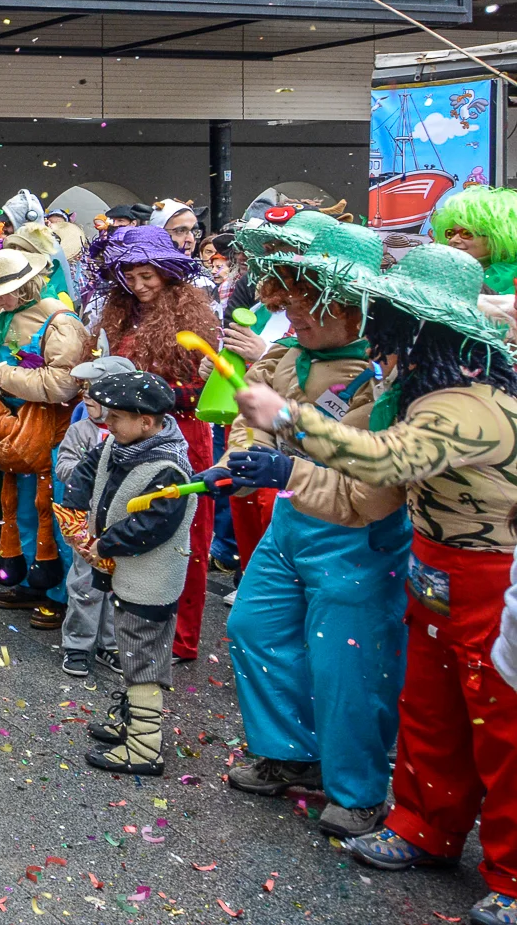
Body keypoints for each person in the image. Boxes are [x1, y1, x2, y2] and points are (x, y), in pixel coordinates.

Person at [234, 245, 517, 925]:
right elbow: (368, 495)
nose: (378, 342)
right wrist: (280, 470)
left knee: (502, 727)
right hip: (431, 567)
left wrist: (288, 421)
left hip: (493, 577)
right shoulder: (414, 393)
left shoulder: (473, 404)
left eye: (390, 328)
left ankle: (512, 874)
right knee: (430, 708)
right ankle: (424, 826)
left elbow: (391, 459)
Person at [217, 221, 400, 841]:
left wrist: (285, 468)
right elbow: (252, 411)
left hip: (355, 538)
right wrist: (242, 463)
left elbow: (368, 492)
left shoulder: (382, 377)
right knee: (254, 625)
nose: (288, 314)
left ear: (347, 307)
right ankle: (291, 752)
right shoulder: (289, 353)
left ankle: (357, 791)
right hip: (292, 523)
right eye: (285, 300)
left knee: (345, 663)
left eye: (301, 304)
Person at [86, 224, 220, 660]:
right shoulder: (121, 313)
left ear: (167, 271)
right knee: (128, 523)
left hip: (182, 435)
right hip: (127, 434)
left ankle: (181, 638)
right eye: (131, 277)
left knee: (183, 536)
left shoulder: (191, 316)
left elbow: (203, 392)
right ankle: (132, 631)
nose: (139, 285)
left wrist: (149, 394)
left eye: (147, 276)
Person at [63, 371, 196, 777]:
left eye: (116, 417)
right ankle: (133, 722)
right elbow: (89, 470)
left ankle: (144, 747)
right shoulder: (119, 444)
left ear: (147, 421)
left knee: (142, 659)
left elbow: (153, 524)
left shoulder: (169, 468)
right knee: (133, 650)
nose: (107, 423)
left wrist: (105, 543)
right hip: (128, 574)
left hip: (151, 580)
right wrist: (75, 508)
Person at [0, 247, 89, 629]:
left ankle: (61, 595)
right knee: (21, 509)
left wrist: (2, 375)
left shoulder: (60, 320)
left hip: (54, 434)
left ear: (23, 287)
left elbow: (64, 383)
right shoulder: (1, 317)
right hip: (18, 432)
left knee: (54, 510)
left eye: (0, 293)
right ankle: (32, 582)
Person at [53, 355, 140, 677]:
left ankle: (110, 644)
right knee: (86, 585)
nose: (87, 396)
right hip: (88, 522)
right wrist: (91, 469)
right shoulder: (80, 430)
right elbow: (63, 466)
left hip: (123, 523)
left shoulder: (138, 434)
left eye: (97, 391)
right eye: (86, 389)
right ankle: (78, 644)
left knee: (120, 586)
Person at [432, 186, 517, 293]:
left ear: (497, 238)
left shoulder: (511, 278)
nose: (453, 240)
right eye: (451, 233)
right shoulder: (441, 275)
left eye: (467, 233)